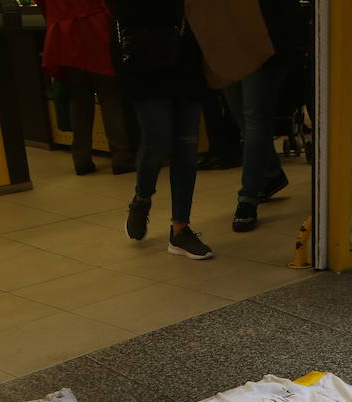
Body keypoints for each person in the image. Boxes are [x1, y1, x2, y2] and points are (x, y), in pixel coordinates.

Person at [108, 0, 213, 260]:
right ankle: (142, 198)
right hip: (142, 62)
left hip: (186, 59)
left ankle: (180, 230)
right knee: (157, 140)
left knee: (187, 147)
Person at [226, 0, 304, 232]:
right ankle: (271, 172)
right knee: (240, 114)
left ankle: (248, 198)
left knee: (254, 118)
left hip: (267, 36)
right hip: (229, 39)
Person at [40, 0, 135, 176]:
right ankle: (121, 157)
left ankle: (81, 159)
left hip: (63, 32)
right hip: (96, 28)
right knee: (110, 97)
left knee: (78, 98)